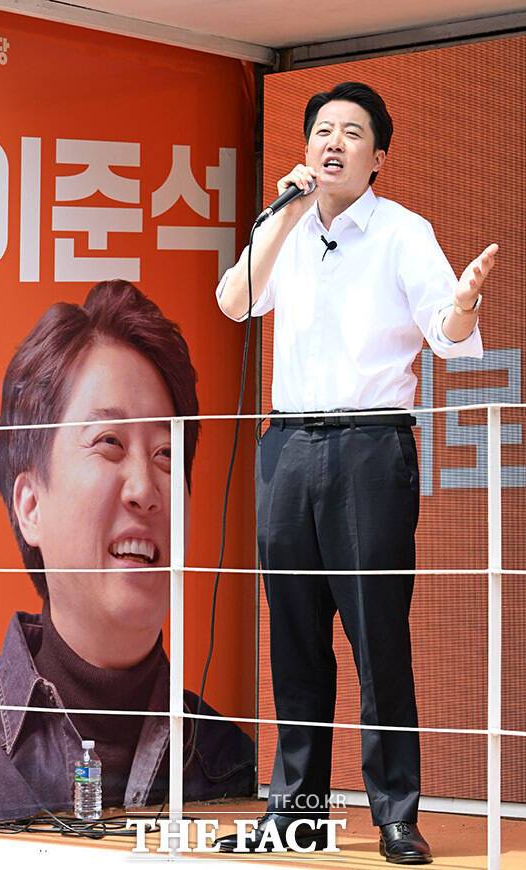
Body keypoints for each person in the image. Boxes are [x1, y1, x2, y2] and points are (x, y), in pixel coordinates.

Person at [215, 82, 497, 863]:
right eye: (322, 131)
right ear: (306, 148)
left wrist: (466, 303)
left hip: (371, 448)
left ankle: (396, 816)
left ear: (379, 158)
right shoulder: (283, 224)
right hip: (287, 447)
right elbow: (235, 302)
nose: (333, 143)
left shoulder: (404, 232)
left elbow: (447, 333)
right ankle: (296, 815)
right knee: (294, 642)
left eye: (351, 132)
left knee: (378, 639)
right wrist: (281, 217)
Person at [0, 279, 253, 823]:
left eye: (166, 454)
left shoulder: (234, 764)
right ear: (30, 505)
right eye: (110, 442)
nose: (145, 489)